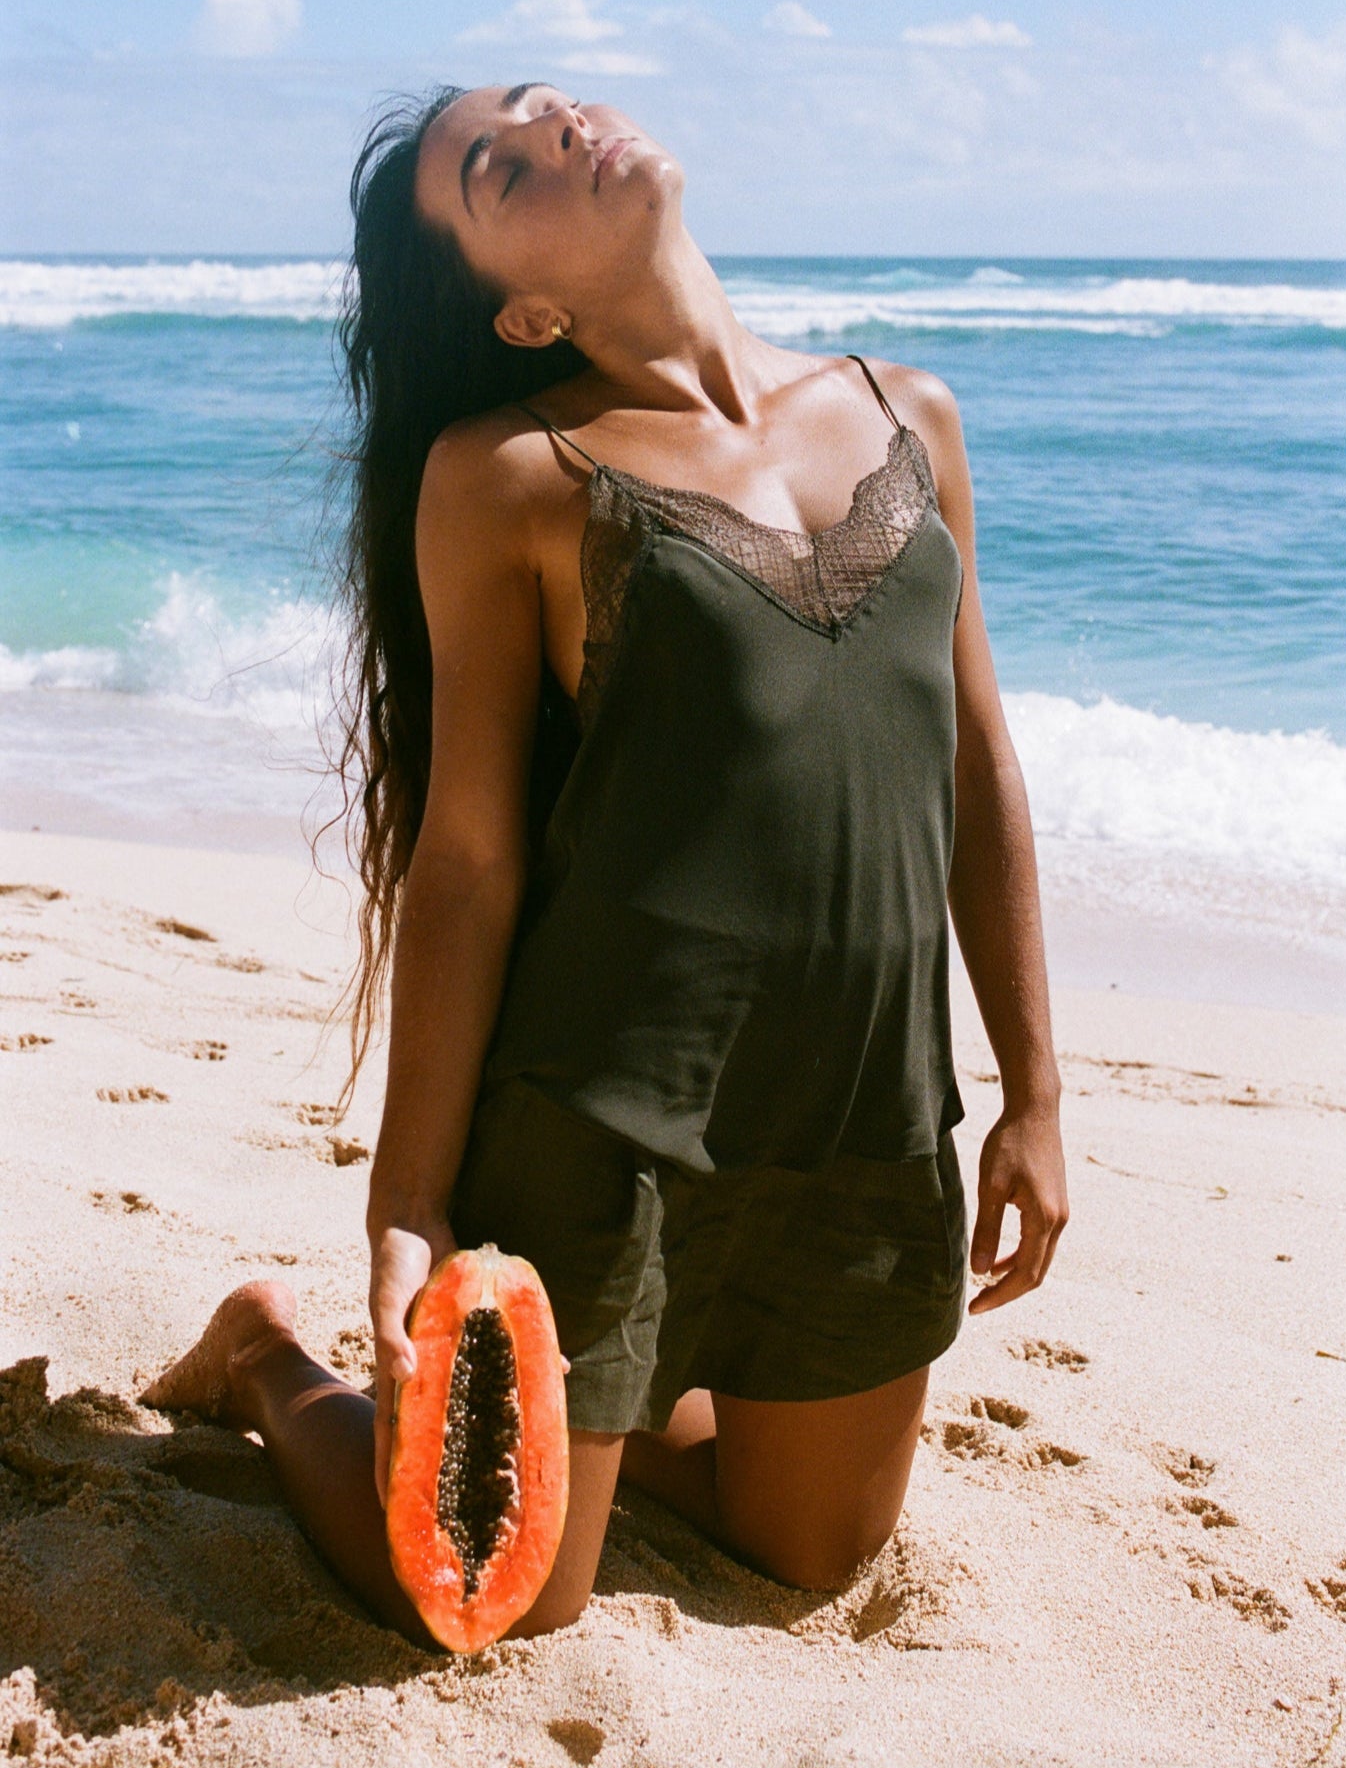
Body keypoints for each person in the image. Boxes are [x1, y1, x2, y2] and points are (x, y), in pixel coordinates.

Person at [144, 82, 1068, 1646]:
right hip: (604, 1123)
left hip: (860, 1110)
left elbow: (978, 770)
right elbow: (469, 860)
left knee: (811, 1550)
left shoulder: (908, 412)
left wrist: (1036, 1090)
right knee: (487, 1597)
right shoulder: (510, 472)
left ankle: (604, 1430)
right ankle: (265, 1364)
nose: (550, 128)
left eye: (531, 107)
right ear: (523, 313)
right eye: (495, 171)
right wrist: (410, 1195)